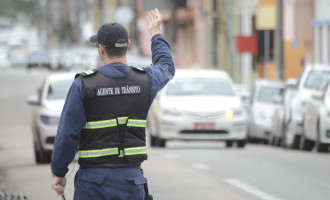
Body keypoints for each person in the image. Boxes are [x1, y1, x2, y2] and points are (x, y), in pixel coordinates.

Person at [51, 8, 175, 200]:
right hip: (131, 183)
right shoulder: (145, 81)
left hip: (92, 185)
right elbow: (166, 65)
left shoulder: (84, 85)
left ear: (100, 48)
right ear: (128, 45)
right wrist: (156, 33)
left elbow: (67, 134)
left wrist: (59, 172)